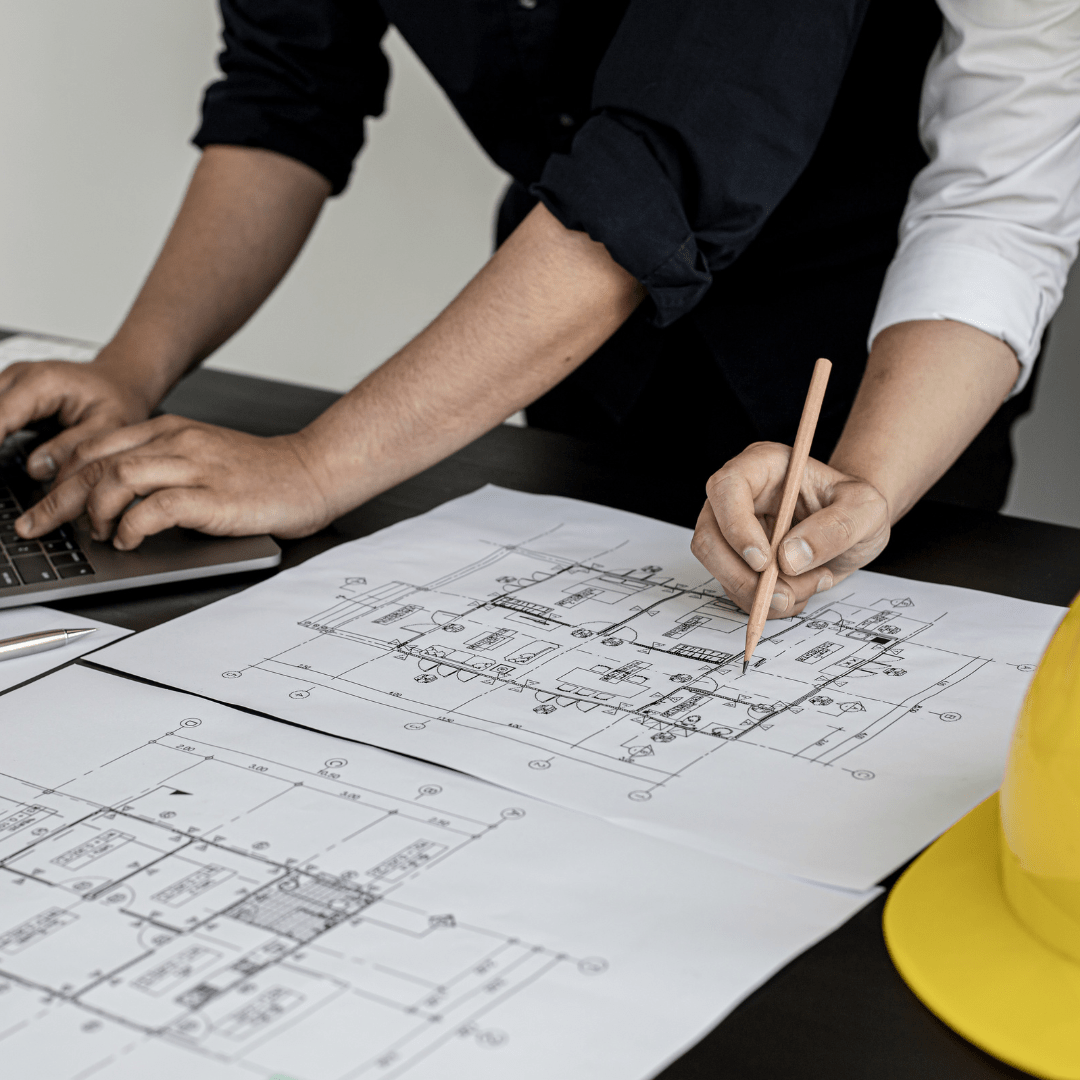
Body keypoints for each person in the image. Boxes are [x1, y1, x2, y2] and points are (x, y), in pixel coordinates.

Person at [0, 0, 1068, 619]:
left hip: (879, 349)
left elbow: (658, 176)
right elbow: (286, 88)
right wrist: (129, 369)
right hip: (555, 337)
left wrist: (317, 465)